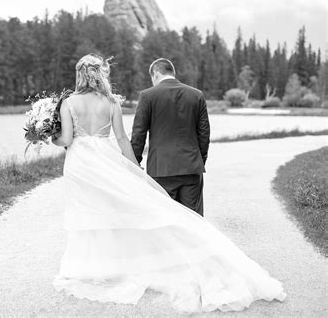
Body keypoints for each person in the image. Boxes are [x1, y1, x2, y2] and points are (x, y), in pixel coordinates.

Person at [51, 53, 285, 313]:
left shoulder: (71, 102)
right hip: (147, 165)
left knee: (90, 213)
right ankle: (197, 262)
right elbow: (125, 139)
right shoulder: (114, 102)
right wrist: (138, 168)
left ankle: (98, 266)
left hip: (87, 166)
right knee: (176, 218)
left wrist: (52, 136)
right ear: (100, 74)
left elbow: (71, 139)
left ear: (79, 74)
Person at [131, 58, 209, 216]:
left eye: (152, 78)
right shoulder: (197, 95)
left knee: (164, 220)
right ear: (172, 73)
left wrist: (135, 163)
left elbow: (139, 134)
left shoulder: (147, 96)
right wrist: (198, 160)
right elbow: (204, 135)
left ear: (156, 74)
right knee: (193, 220)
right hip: (191, 168)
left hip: (161, 169)